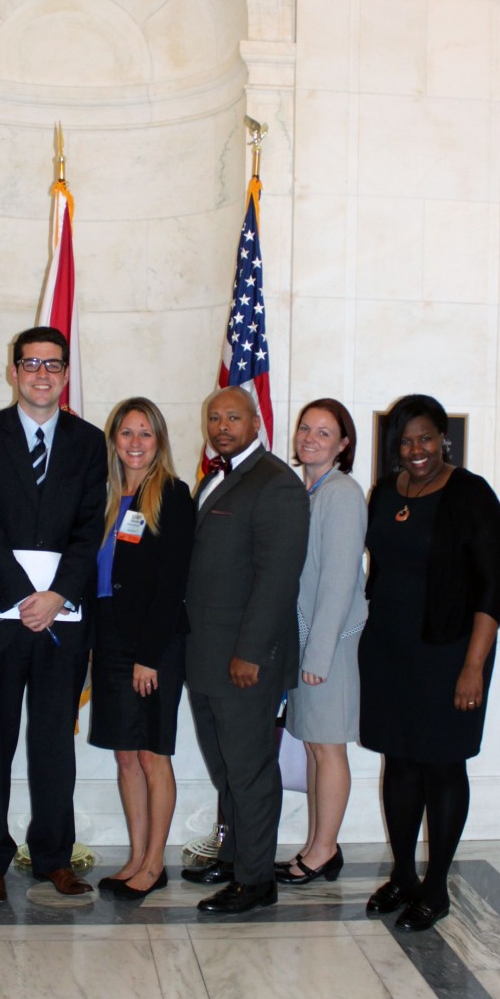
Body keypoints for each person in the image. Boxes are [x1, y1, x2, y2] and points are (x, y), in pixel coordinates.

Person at [0, 326, 107, 901]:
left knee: (54, 743)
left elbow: (88, 526)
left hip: (62, 623)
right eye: (31, 364)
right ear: (13, 371)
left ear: (66, 374)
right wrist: (25, 594)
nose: (41, 374)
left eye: (53, 365)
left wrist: (58, 596)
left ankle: (53, 855)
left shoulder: (89, 441)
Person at [360, 394, 500, 931]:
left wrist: (474, 666)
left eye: (425, 438)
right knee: (398, 762)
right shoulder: (383, 492)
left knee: (443, 765)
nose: (416, 449)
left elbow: (493, 590)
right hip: (389, 651)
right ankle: (402, 875)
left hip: (449, 654)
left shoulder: (471, 495)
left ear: (443, 439)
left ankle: (436, 885)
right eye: (406, 440)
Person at [182, 387, 309, 914]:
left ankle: (256, 881)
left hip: (243, 661)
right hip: (205, 654)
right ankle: (235, 859)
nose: (222, 425)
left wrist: (251, 654)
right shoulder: (218, 477)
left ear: (256, 420)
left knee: (251, 770)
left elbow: (277, 580)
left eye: (233, 416)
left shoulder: (275, 483)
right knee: (226, 768)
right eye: (213, 417)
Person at [90, 398, 195, 900]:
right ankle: (135, 855)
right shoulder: (107, 497)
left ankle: (155, 864)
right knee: (125, 754)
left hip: (154, 642)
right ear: (114, 440)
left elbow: (172, 582)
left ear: (159, 441)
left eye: (145, 434)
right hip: (110, 635)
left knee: (153, 753)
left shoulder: (172, 495)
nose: (135, 443)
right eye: (126, 433)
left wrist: (148, 654)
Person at [275, 399, 367, 885]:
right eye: (305, 428)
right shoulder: (307, 490)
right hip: (307, 644)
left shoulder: (343, 493)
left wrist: (318, 655)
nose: (310, 437)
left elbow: (337, 581)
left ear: (343, 444)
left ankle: (325, 849)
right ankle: (314, 846)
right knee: (312, 747)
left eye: (324, 432)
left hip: (331, 646)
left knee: (329, 748)